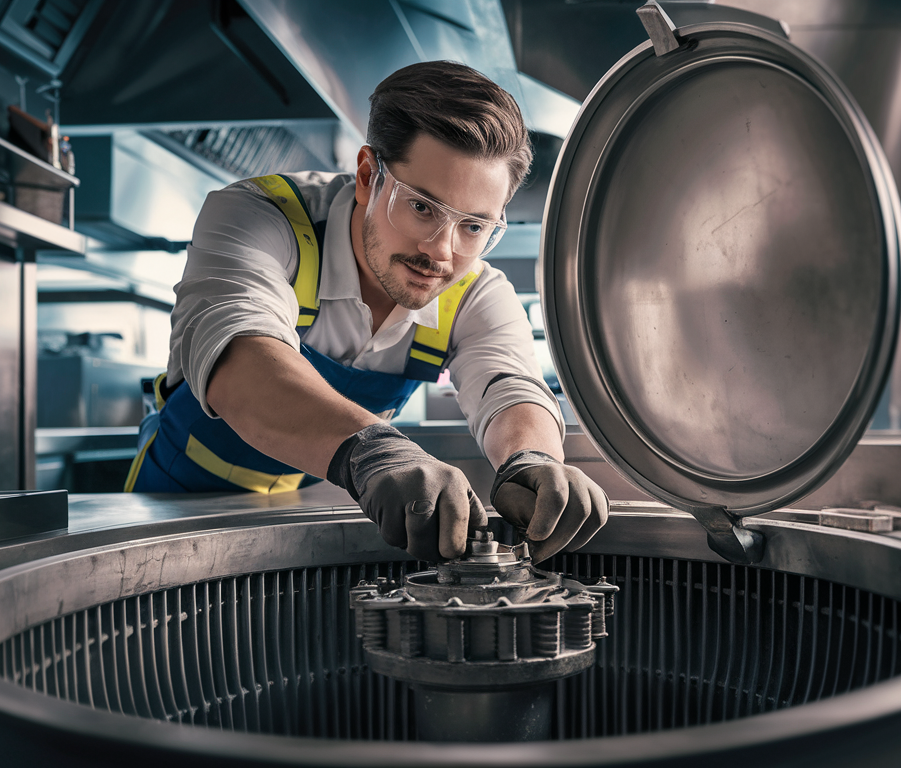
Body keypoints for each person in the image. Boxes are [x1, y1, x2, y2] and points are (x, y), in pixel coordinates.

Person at [125, 61, 608, 564]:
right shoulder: (256, 217)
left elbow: (509, 384)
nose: (441, 252)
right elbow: (240, 361)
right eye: (422, 207)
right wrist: (375, 451)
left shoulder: (476, 291)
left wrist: (531, 458)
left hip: (292, 518)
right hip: (167, 522)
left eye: (473, 227)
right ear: (366, 176)